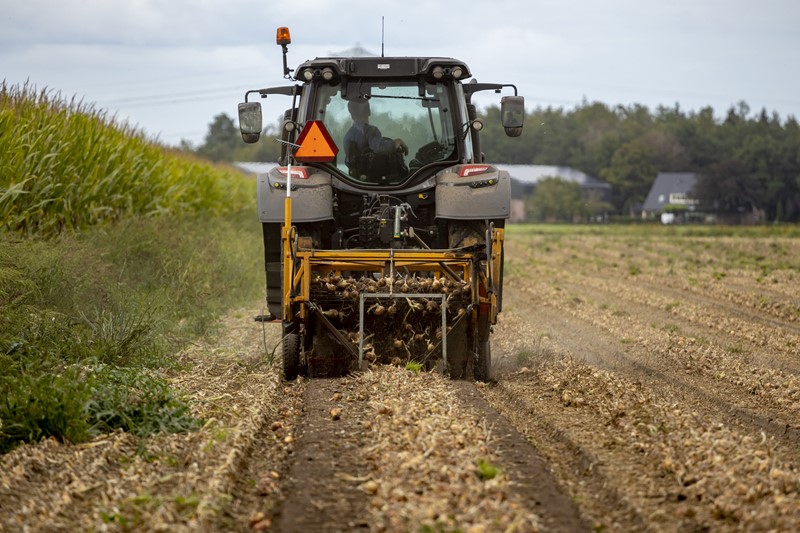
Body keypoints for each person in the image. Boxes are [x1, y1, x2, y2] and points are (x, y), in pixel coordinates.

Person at [344, 99, 409, 181]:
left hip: (356, 181)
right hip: (374, 180)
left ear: (351, 114)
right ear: (369, 111)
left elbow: (349, 161)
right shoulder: (371, 131)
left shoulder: (347, 136)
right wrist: (397, 142)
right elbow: (379, 148)